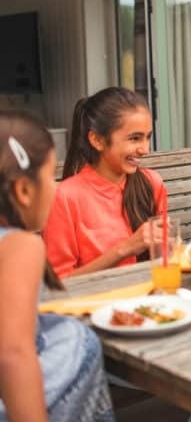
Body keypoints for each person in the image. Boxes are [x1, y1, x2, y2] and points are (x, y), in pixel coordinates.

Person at [0, 111, 114, 421]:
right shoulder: (17, 245)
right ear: (24, 191)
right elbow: (13, 355)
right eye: (51, 176)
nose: (55, 187)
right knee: (75, 337)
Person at [43, 87, 167, 278]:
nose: (145, 149)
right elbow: (60, 282)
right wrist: (125, 249)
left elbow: (164, 256)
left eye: (147, 137)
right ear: (97, 140)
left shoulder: (152, 183)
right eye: (135, 138)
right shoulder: (66, 197)